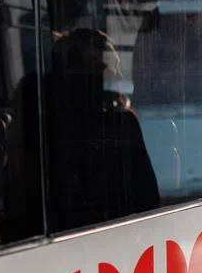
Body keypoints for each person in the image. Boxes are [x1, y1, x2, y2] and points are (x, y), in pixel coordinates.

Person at [43, 28, 160, 229]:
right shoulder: (121, 124)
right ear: (95, 70)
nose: (120, 74)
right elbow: (148, 198)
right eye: (113, 66)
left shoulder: (44, 117)